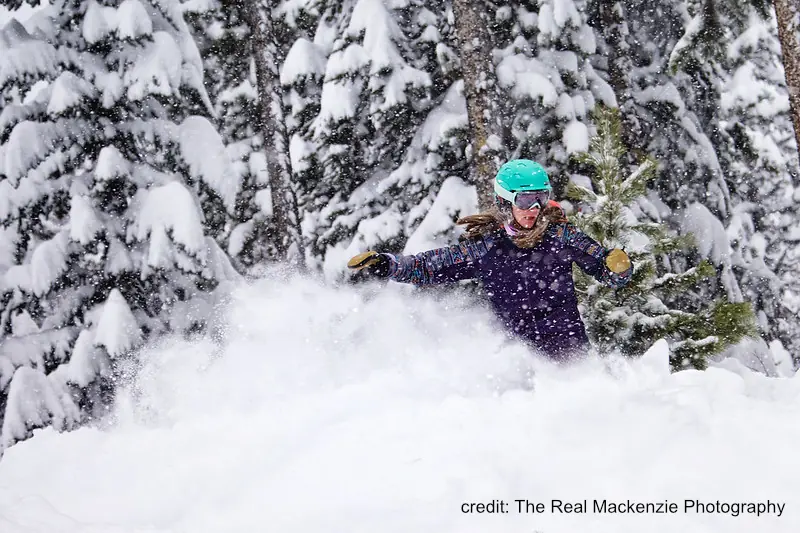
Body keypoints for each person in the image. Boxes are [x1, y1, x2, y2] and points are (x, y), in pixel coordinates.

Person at [347, 159, 633, 361]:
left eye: (540, 199)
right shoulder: (486, 248)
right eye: (523, 200)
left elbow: (606, 270)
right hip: (518, 361)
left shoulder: (562, 236)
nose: (532, 209)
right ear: (505, 202)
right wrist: (387, 264)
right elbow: (429, 266)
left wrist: (619, 266)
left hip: (572, 355)